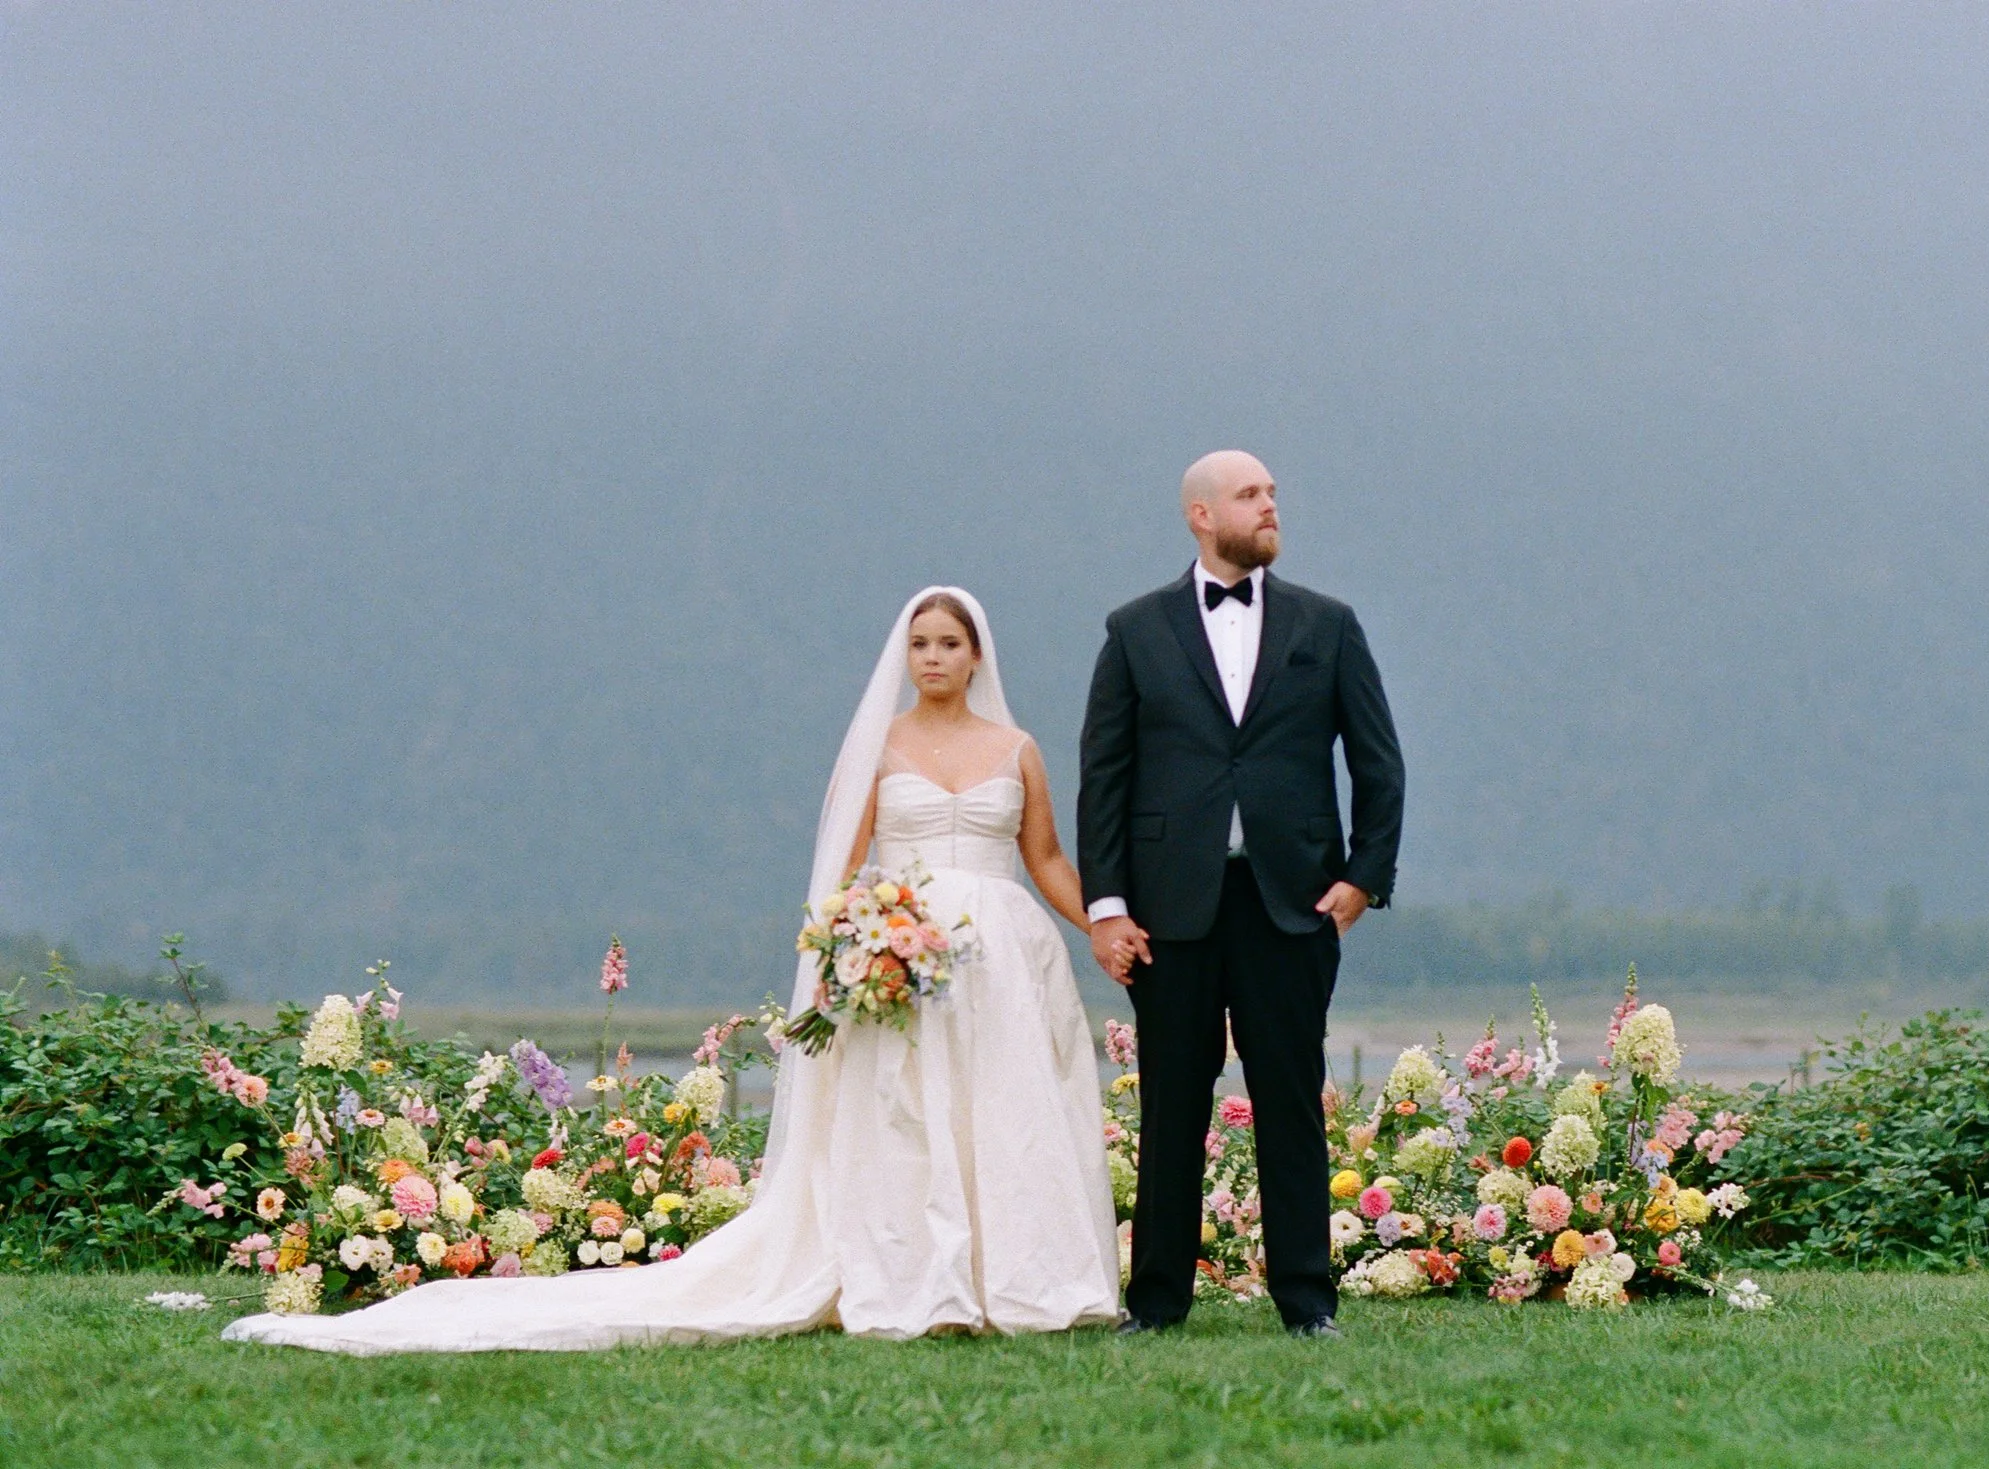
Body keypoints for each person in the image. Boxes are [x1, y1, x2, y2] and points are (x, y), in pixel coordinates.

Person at [224, 587, 1120, 1352]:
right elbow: (844, 869)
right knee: (907, 1115)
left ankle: (1017, 1281)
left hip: (1001, 957)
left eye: (949, 644)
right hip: (901, 951)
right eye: (920, 643)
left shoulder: (1017, 749)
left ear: (975, 655)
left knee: (1006, 1111)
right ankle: (923, 1281)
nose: (933, 656)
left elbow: (1044, 858)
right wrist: (847, 948)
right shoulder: (879, 749)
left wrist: (1104, 925)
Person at [1080, 451, 1405, 1339]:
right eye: (1251, 495)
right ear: (1200, 513)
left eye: (1272, 495)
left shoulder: (1328, 625)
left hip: (1291, 902)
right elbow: (1102, 780)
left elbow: (1378, 762)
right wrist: (1105, 907)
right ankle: (1155, 1304)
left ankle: (1307, 1301)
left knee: (1291, 1100)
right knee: (1171, 1106)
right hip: (1167, 909)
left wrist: (1362, 880)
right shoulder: (1134, 629)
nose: (1270, 507)